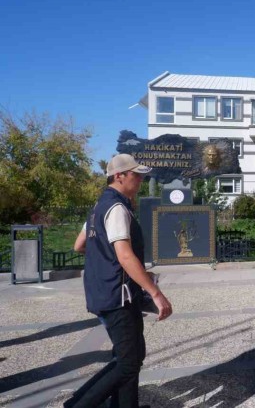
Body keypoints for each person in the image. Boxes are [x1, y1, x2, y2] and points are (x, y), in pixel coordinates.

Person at [64, 154, 172, 408]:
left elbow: (80, 245)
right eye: (137, 175)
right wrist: (155, 293)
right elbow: (125, 255)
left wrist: (107, 258)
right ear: (119, 176)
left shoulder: (99, 206)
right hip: (118, 296)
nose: (141, 180)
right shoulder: (116, 208)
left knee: (130, 356)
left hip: (104, 291)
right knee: (128, 363)